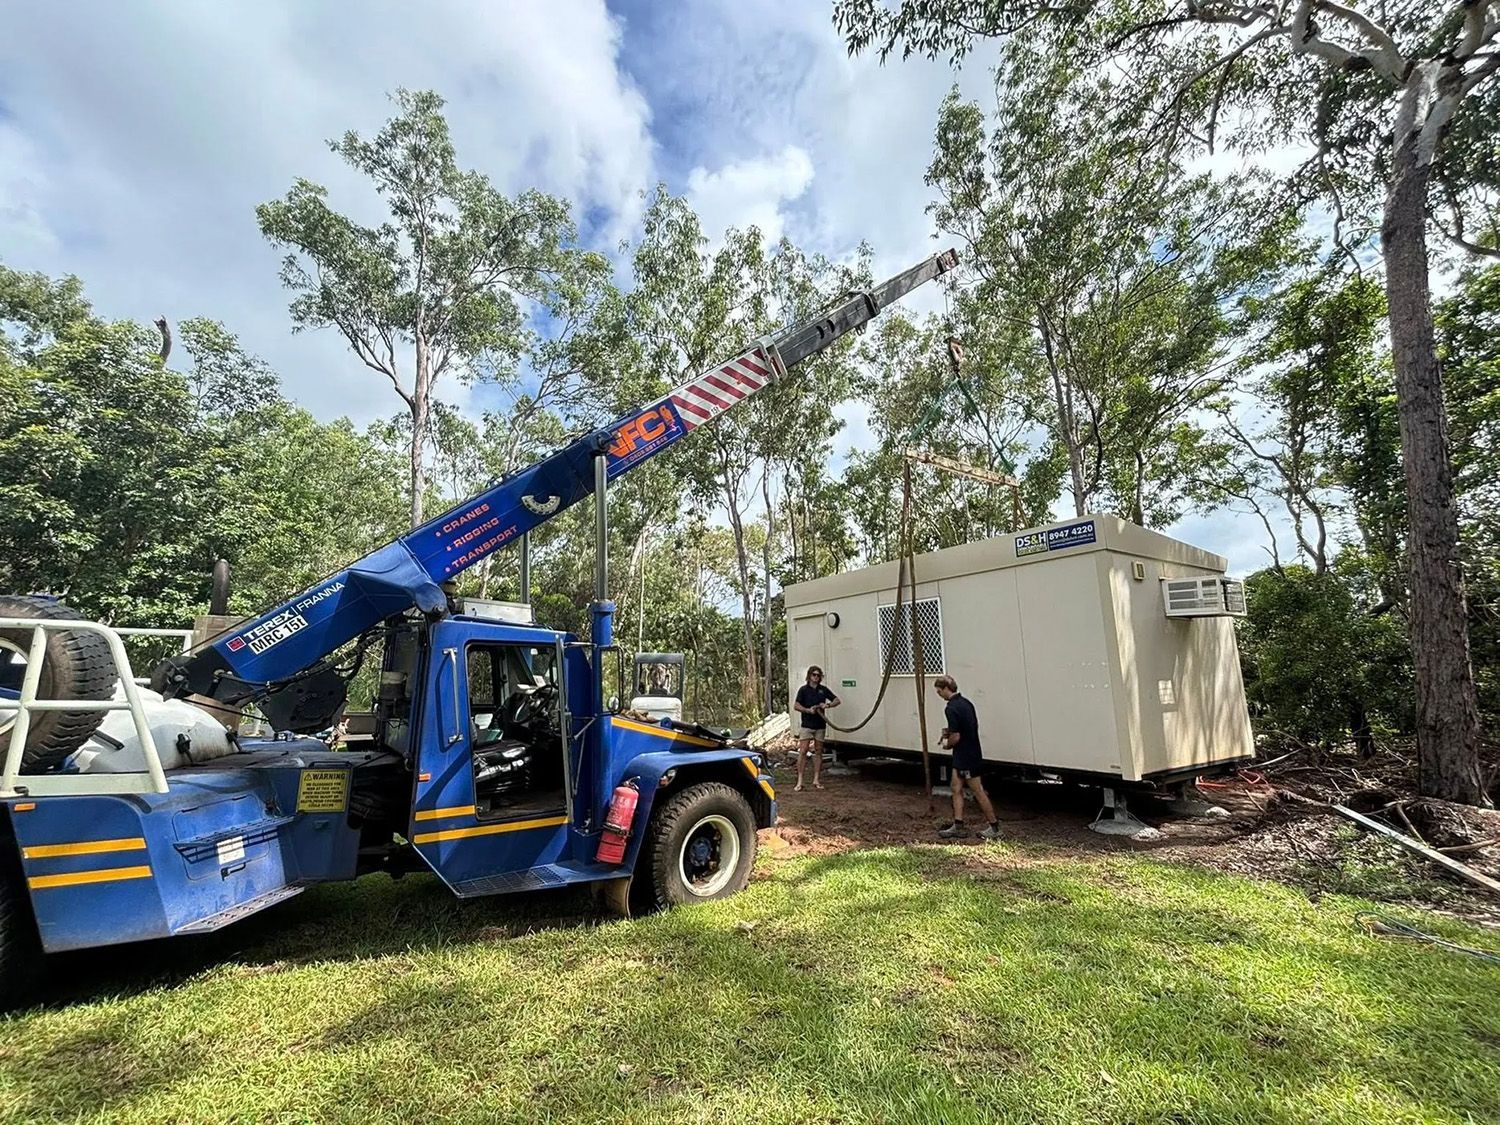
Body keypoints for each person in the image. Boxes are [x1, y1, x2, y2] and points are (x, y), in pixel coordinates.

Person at [933, 675, 1001, 840]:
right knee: (956, 787)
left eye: (939, 691)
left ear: (945, 689)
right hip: (969, 752)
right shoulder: (966, 703)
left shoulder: (950, 708)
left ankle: (995, 827)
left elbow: (956, 737)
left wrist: (947, 744)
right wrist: (949, 731)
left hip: (965, 756)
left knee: (977, 790)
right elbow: (965, 727)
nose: (939, 695)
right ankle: (958, 824)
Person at [792, 665, 840, 791]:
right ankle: (800, 781)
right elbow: (796, 706)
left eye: (818, 675)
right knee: (803, 751)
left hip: (820, 725)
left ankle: (816, 780)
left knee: (818, 751)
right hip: (807, 725)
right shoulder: (803, 690)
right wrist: (808, 710)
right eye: (814, 675)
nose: (816, 677)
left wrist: (827, 705)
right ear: (809, 676)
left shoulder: (823, 690)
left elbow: (837, 700)